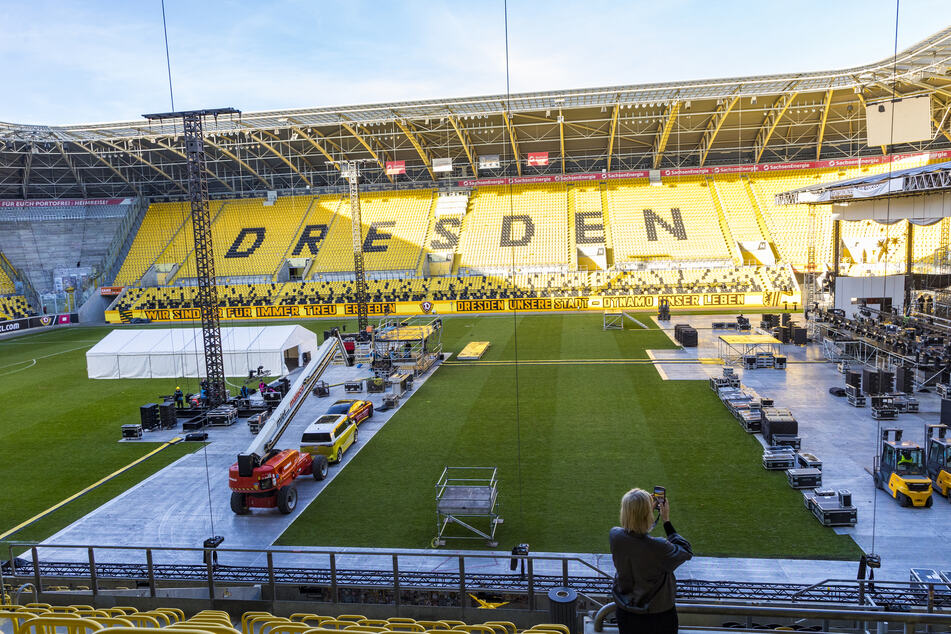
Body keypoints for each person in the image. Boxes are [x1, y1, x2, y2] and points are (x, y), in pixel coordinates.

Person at [610, 488, 692, 634]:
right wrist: (666, 521)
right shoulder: (659, 547)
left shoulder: (615, 536)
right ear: (647, 514)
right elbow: (685, 550)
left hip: (626, 613)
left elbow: (636, 535)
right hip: (658, 617)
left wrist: (644, 513)